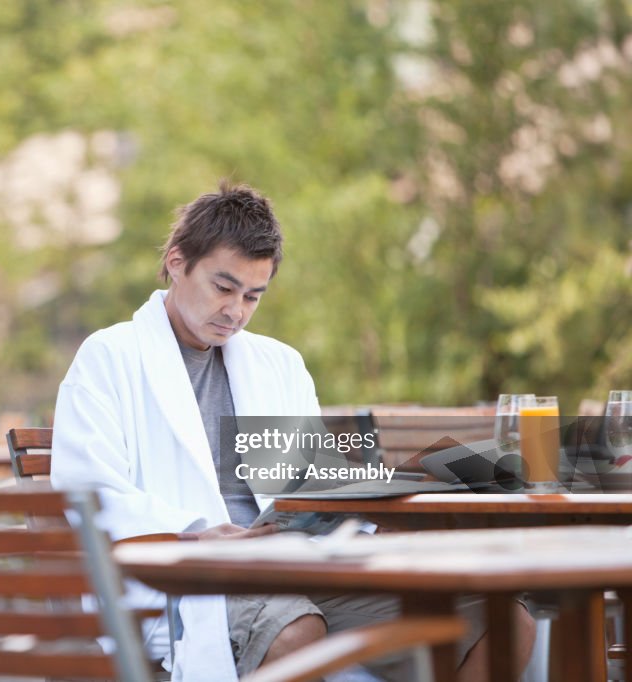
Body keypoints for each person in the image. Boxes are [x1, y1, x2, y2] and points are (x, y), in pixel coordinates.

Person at [51, 181, 535, 681]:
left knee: (505, 622)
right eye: (223, 287)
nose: (235, 312)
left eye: (253, 296)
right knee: (296, 631)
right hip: (183, 580)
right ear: (177, 261)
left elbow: (307, 482)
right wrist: (196, 534)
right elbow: (85, 492)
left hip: (294, 565)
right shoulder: (110, 357)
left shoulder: (278, 365)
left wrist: (364, 499)